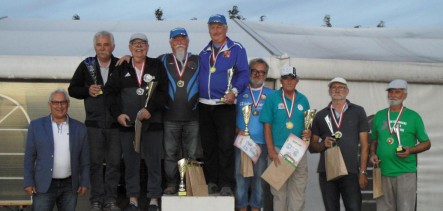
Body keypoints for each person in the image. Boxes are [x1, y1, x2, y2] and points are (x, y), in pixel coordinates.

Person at [105, 33, 167, 211]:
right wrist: (117, 115)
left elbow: (163, 91)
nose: (139, 47)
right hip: (128, 125)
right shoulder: (121, 66)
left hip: (152, 124)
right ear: (129, 47)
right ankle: (133, 199)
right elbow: (109, 93)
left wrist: (151, 109)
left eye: (142, 43)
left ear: (148, 47)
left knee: (154, 162)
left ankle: (154, 199)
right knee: (131, 163)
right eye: (135, 43)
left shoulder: (156, 65)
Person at [68, 30, 121, 211]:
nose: (102, 48)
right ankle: (97, 200)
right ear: (94, 47)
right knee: (95, 164)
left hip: (116, 125)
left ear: (113, 46)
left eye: (106, 44)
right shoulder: (86, 64)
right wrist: (87, 90)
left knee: (114, 164)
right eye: (99, 45)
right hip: (93, 125)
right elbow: (72, 89)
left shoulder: (121, 64)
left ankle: (111, 200)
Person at [199, 14, 249, 196]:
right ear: (209, 29)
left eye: (219, 26)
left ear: (226, 28)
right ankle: (212, 181)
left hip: (224, 105)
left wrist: (234, 91)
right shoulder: (204, 52)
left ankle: (226, 183)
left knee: (226, 145)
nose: (216, 30)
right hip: (204, 105)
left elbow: (244, 73)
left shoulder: (236, 48)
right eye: (212, 27)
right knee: (208, 145)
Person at [309, 77, 370, 211]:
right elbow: (312, 147)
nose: (337, 90)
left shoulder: (358, 111)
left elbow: (365, 145)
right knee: (331, 209)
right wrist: (323, 144)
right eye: (333, 87)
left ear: (347, 91)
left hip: (350, 171)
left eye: (341, 87)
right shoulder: (320, 115)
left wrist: (363, 172)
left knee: (354, 208)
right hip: (327, 171)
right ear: (329, 91)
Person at [370, 79, 431, 211]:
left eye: (397, 92)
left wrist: (411, 150)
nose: (393, 95)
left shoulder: (413, 116)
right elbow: (374, 140)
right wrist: (373, 153)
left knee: (405, 208)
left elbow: (427, 143)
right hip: (383, 172)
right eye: (390, 92)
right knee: (383, 209)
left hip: (405, 173)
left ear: (405, 95)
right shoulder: (380, 115)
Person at [23, 88, 89, 211]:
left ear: (68, 104)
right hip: (43, 185)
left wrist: (84, 181)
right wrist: (28, 181)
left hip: (70, 186)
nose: (59, 106)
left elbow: (84, 159)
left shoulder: (80, 128)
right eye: (55, 102)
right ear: (49, 105)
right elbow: (29, 157)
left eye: (63, 102)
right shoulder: (36, 126)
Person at [259, 66, 310, 211]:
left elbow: (308, 125)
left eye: (292, 78)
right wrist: (270, 150)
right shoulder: (273, 98)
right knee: (279, 194)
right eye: (286, 78)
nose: (289, 81)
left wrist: (309, 134)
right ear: (281, 81)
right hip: (277, 150)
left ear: (297, 81)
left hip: (298, 151)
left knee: (298, 192)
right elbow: (266, 125)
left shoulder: (303, 100)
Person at [157, 27, 200, 195]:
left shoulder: (198, 59)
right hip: (170, 117)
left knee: (192, 154)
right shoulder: (162, 59)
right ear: (170, 43)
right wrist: (127, 58)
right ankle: (171, 184)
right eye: (176, 39)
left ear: (188, 42)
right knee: (170, 154)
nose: (179, 42)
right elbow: (142, 63)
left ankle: (191, 184)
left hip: (193, 117)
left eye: (183, 39)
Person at [235, 59, 273, 211]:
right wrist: (237, 129)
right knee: (240, 180)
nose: (258, 74)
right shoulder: (239, 91)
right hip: (241, 143)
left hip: (262, 144)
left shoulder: (272, 95)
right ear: (249, 71)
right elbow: (227, 116)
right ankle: (242, 208)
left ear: (266, 75)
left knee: (259, 182)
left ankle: (257, 209)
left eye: (262, 72)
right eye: (254, 71)